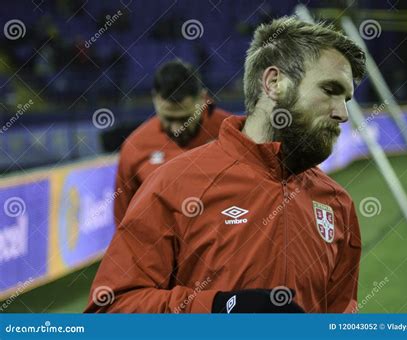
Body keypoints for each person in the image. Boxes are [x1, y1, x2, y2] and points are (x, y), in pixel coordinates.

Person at [85, 17, 366, 313]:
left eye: (346, 98)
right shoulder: (173, 184)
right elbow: (110, 309)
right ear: (274, 83)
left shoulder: (338, 205)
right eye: (330, 90)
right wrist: (220, 308)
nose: (343, 113)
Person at [114, 60, 231, 225]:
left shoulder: (232, 133)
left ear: (203, 99)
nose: (177, 128)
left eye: (185, 118)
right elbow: (124, 221)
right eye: (168, 118)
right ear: (155, 99)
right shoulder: (135, 146)